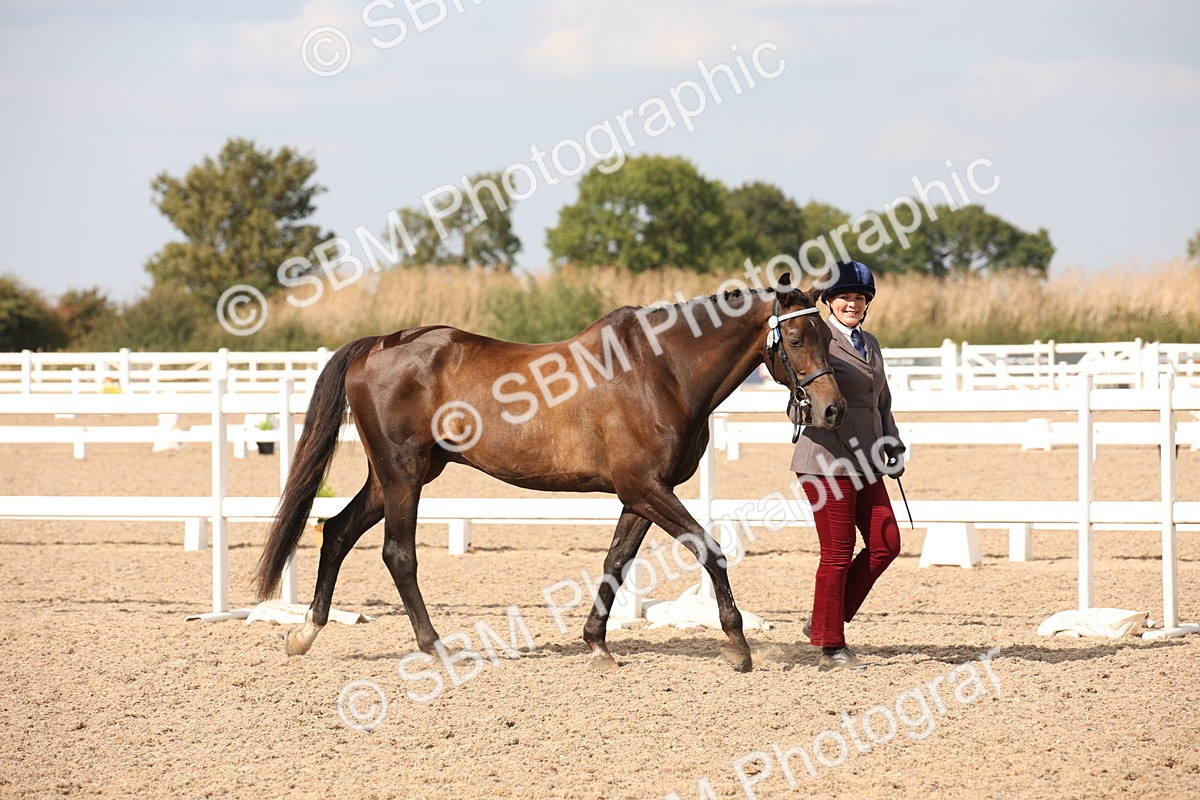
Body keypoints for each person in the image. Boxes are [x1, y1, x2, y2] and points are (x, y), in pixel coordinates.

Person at [790, 260, 905, 672]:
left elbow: (881, 399)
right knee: (837, 553)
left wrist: (892, 440)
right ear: (829, 302)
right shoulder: (817, 339)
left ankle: (823, 619)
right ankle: (830, 645)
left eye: (859, 297)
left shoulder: (869, 342)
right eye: (845, 297)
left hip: (868, 459)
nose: (852, 304)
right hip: (826, 459)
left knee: (886, 543)